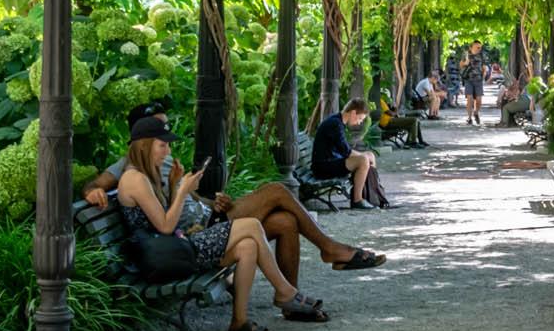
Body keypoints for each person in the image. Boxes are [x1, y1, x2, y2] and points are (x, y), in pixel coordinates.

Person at [84, 103, 386, 274]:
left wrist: (211, 200)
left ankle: (291, 300)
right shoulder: (128, 167)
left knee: (285, 221)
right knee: (276, 190)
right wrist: (91, 191)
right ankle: (329, 248)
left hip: (209, 215)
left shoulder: (163, 159)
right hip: (199, 232)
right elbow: (100, 183)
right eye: (158, 131)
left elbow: (186, 197)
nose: (165, 136)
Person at [114, 113, 329, 331]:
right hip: (164, 258)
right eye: (162, 145)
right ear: (144, 146)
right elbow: (166, 227)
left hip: (173, 250)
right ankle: (284, 292)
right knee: (252, 226)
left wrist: (175, 184)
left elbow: (165, 221)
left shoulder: (147, 174)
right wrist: (183, 191)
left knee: (248, 246)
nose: (167, 151)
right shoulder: (134, 179)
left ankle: (239, 321)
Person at [313, 98, 390, 209]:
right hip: (323, 167)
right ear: (353, 113)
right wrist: (364, 157)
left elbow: (345, 150)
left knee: (369, 155)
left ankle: (371, 194)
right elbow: (346, 152)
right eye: (360, 118)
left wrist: (366, 156)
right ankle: (357, 200)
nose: (359, 122)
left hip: (331, 162)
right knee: (363, 160)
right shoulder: (335, 124)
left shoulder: (337, 122)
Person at [459, 43, 485, 126]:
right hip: (468, 80)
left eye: (480, 47)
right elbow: (460, 65)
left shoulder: (481, 56)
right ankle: (469, 118)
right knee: (469, 99)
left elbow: (484, 68)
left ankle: (476, 112)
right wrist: (465, 63)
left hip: (478, 80)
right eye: (477, 47)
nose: (479, 49)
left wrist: (483, 77)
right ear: (471, 47)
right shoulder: (466, 55)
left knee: (479, 100)